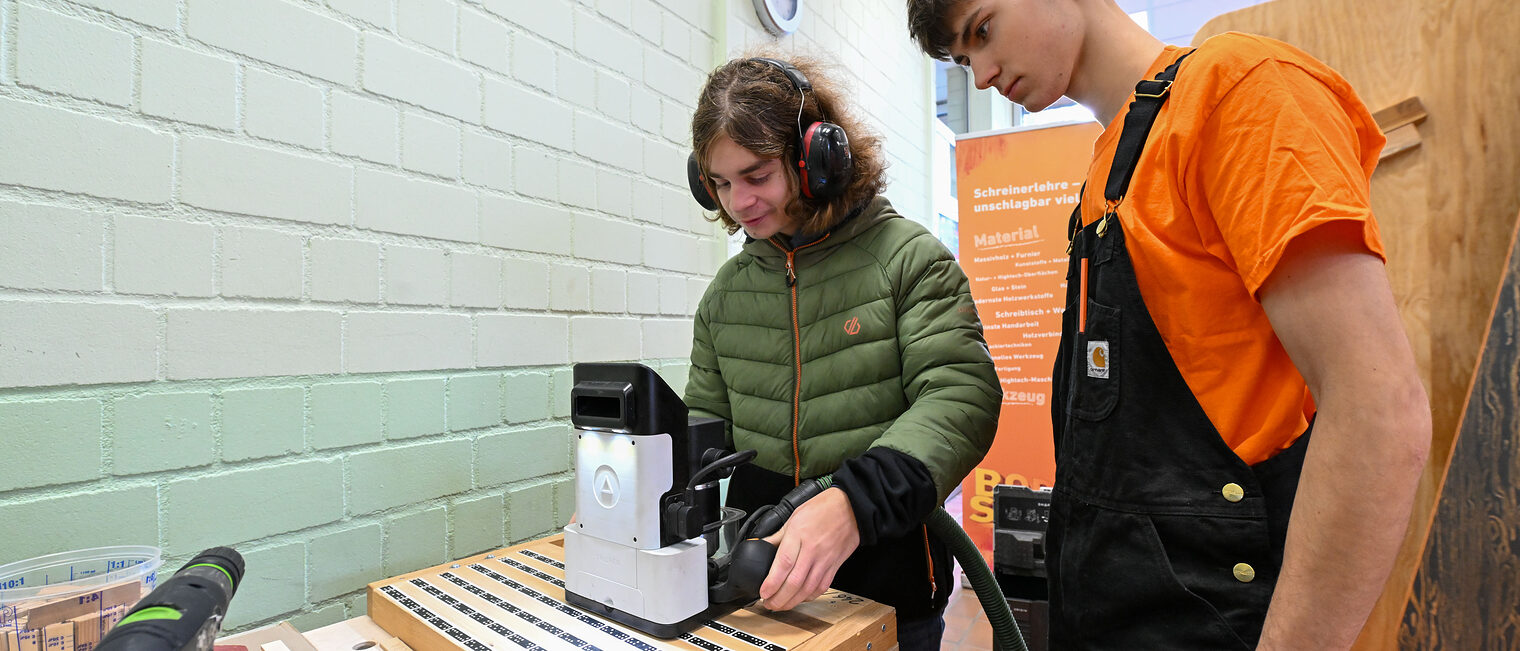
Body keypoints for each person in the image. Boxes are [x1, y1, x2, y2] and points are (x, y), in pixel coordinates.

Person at [905, 1, 1432, 649]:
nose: (981, 74)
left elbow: (1380, 410)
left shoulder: (1241, 93)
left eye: (982, 31)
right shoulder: (1111, 168)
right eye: (961, 61)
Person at [681, 54, 1001, 650]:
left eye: (756, 176)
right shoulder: (726, 294)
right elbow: (705, 423)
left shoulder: (908, 259)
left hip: (889, 576)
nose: (738, 203)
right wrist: (637, 497)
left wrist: (853, 504)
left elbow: (963, 395)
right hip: (764, 579)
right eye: (721, 183)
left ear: (817, 159)